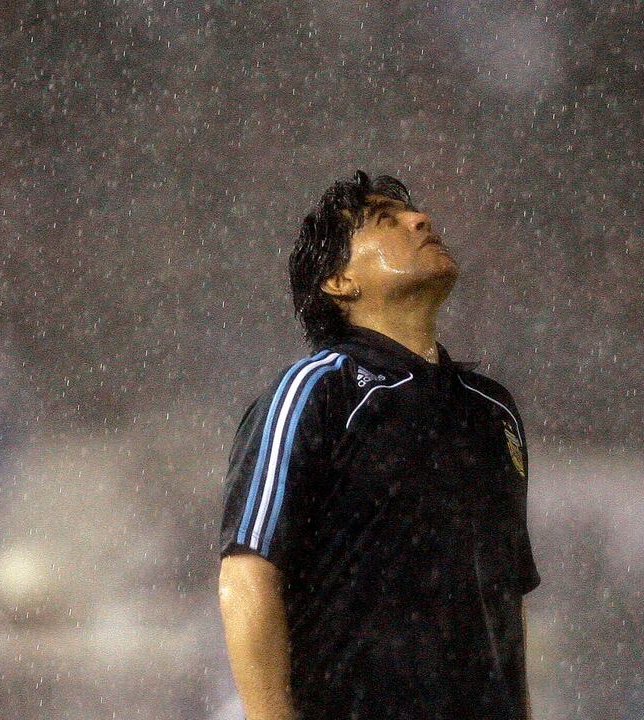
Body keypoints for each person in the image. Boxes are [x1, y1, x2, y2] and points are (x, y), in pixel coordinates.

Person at [217, 171, 541, 720]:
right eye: (385, 221)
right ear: (339, 281)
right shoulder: (317, 390)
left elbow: (505, 600)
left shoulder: (493, 409)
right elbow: (247, 573)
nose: (421, 220)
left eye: (413, 213)